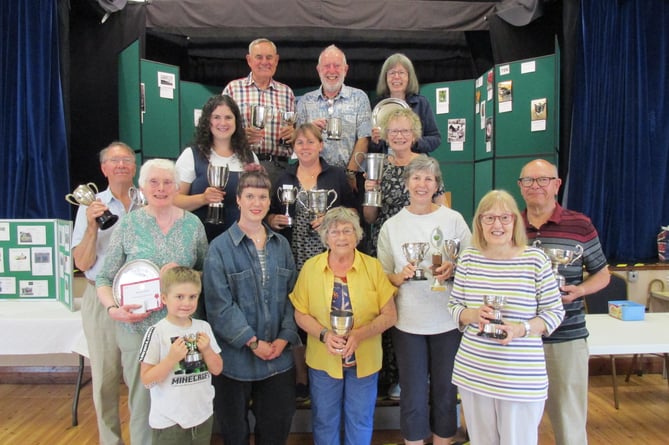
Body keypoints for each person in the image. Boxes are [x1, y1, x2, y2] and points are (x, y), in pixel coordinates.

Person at [96, 158, 209, 444]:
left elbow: (206, 273)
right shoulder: (128, 225)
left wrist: (184, 275)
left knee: (185, 400)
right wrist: (113, 309)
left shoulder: (193, 225)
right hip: (139, 330)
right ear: (142, 187)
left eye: (168, 182)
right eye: (154, 182)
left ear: (176, 186)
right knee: (144, 405)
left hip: (182, 333)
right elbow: (104, 278)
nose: (161, 188)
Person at [448, 189, 565, 445]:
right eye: (488, 218)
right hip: (474, 372)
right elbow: (455, 307)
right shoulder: (469, 258)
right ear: (479, 223)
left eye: (504, 217)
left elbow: (554, 313)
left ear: (515, 221)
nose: (496, 224)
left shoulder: (535, 259)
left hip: (520, 376)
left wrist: (519, 329)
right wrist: (474, 314)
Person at [377, 156, 472, 445]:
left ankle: (444, 441)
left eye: (428, 179)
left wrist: (453, 268)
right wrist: (400, 276)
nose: (422, 184)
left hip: (447, 320)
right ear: (406, 183)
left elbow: (471, 261)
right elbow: (382, 278)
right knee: (413, 392)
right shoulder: (392, 226)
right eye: (416, 178)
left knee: (445, 390)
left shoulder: (453, 219)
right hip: (408, 323)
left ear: (436, 184)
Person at [203, 167, 300, 445]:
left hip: (278, 360)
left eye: (262, 197)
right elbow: (219, 306)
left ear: (270, 202)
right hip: (235, 360)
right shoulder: (219, 249)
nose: (256, 203)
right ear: (238, 200)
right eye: (250, 196)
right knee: (235, 433)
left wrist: (283, 338)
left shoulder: (281, 245)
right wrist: (253, 342)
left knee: (276, 430)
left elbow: (293, 297)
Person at [518, 159, 611, 445]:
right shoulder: (509, 225)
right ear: (520, 187)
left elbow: (603, 274)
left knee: (569, 422)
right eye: (529, 181)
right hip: (520, 340)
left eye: (543, 180)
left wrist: (579, 291)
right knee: (517, 425)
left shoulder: (580, 225)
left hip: (566, 338)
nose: (536, 186)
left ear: (557, 185)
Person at [289, 206, 397, 445]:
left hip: (364, 360)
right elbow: (300, 314)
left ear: (357, 235)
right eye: (335, 231)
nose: (341, 237)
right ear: (325, 237)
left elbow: (390, 315)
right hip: (323, 361)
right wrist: (325, 335)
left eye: (347, 231)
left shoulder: (373, 267)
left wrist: (360, 335)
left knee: (360, 419)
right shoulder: (311, 268)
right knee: (325, 420)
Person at [267, 123, 357, 401]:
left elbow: (354, 210)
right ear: (293, 148)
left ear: (321, 145)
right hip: (294, 254)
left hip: (329, 254)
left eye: (310, 142)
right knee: (298, 312)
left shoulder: (337, 176)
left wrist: (333, 217)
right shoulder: (284, 178)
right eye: (299, 143)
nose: (305, 147)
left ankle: (331, 365)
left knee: (327, 309)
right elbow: (268, 214)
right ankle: (301, 377)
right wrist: (274, 220)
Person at [363, 109, 445, 400]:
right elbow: (371, 218)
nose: (398, 136)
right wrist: (370, 191)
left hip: (421, 250)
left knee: (415, 309)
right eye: (393, 131)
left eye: (404, 131)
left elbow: (443, 211)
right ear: (385, 135)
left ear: (414, 135)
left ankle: (414, 376)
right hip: (385, 248)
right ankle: (389, 376)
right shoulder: (376, 167)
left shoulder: (426, 166)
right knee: (386, 309)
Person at [72, 141, 138, 445]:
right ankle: (111, 441)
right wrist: (90, 228)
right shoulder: (91, 206)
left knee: (143, 377)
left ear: (134, 166)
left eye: (127, 159)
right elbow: (82, 262)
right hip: (101, 296)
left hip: (141, 298)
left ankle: (143, 439)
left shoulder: (149, 200)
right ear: (103, 169)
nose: (122, 165)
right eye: (115, 161)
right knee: (105, 379)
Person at [139, 266, 223, 445]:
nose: (186, 303)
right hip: (169, 422)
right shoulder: (156, 332)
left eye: (192, 297)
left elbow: (217, 369)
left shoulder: (203, 327)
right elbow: (147, 380)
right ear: (164, 298)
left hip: (202, 416)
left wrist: (207, 350)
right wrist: (171, 359)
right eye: (179, 297)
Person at [175, 94, 259, 241]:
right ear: (208, 121)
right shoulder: (191, 155)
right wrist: (202, 198)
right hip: (200, 240)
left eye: (228, 117)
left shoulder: (250, 157)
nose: (223, 123)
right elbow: (174, 201)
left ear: (236, 122)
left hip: (241, 242)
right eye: (216, 117)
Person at [296, 44, 373, 195]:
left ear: (345, 69)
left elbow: (364, 138)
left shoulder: (359, 97)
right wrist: (309, 130)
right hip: (312, 178)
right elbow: (297, 141)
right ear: (319, 69)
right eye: (326, 66)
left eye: (337, 66)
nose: (332, 71)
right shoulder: (305, 101)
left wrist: (350, 173)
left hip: (350, 177)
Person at [222, 38, 296, 185]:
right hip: (241, 164)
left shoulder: (287, 93)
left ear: (276, 60)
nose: (264, 62)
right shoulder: (233, 89)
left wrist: (294, 135)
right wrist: (240, 135)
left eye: (269, 57)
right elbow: (220, 128)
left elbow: (294, 132)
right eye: (259, 57)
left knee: (278, 208)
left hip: (278, 168)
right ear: (249, 60)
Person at [369, 53, 441, 155]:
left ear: (409, 77)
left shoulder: (421, 103)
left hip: (415, 163)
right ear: (385, 78)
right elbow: (369, 145)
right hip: (386, 163)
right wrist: (374, 142)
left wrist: (414, 141)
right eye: (392, 73)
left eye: (401, 72)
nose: (396, 77)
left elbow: (435, 139)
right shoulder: (376, 106)